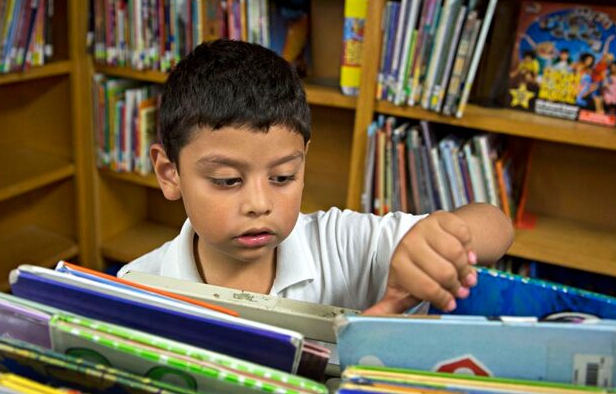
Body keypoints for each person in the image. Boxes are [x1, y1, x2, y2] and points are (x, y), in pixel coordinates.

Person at [118, 40, 514, 314]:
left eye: (283, 176)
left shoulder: (341, 246)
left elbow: (496, 225)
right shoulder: (135, 286)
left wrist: (445, 238)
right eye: (226, 180)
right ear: (170, 173)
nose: (260, 204)